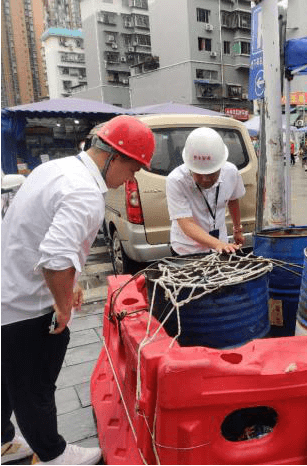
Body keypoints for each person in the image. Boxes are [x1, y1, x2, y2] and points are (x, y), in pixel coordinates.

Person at [1, 115, 155, 465]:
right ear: (115, 157)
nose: (128, 181)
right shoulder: (86, 192)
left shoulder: (58, 169)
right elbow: (56, 257)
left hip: (8, 287)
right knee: (33, 384)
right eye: (132, 171)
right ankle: (53, 454)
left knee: (7, 375)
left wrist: (71, 285)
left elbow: (45, 236)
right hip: (25, 303)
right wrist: (63, 305)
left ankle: (4, 439)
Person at [166, 127, 245, 255]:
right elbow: (187, 224)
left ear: (220, 166)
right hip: (188, 250)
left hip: (220, 246)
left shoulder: (231, 172)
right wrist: (218, 244)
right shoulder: (176, 180)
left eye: (211, 174)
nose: (205, 179)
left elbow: (233, 199)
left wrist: (237, 229)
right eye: (199, 174)